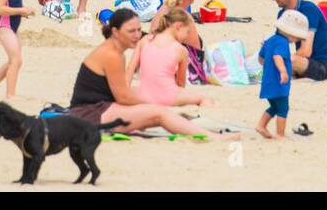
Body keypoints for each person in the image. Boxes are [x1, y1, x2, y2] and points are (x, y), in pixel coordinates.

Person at [66, 9, 221, 136]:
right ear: (116, 32)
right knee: (158, 113)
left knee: (153, 112)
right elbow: (123, 97)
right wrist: (151, 106)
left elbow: (120, 92)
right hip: (90, 115)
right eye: (131, 31)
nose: (137, 35)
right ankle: (213, 137)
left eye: (139, 30)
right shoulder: (112, 55)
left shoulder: (114, 50)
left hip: (94, 109)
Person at [127, 8, 208, 107]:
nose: (186, 37)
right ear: (179, 26)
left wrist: (124, 91)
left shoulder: (145, 40)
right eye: (187, 32)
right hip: (168, 97)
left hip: (144, 96)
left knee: (133, 89)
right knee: (203, 98)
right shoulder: (181, 50)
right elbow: (180, 84)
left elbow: (130, 68)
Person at [268, 0, 327, 81]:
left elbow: (306, 51)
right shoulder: (282, 14)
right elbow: (279, 43)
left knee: (287, 60)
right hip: (303, 63)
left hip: (323, 66)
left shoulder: (309, 10)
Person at [258, 10, 309, 139]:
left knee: (274, 106)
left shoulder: (270, 40)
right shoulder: (282, 42)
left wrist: (269, 66)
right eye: (296, 37)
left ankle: (261, 126)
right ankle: (280, 134)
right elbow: (277, 57)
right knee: (283, 108)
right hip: (278, 82)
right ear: (289, 32)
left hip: (268, 81)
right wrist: (283, 71)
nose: (296, 40)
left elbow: (260, 59)